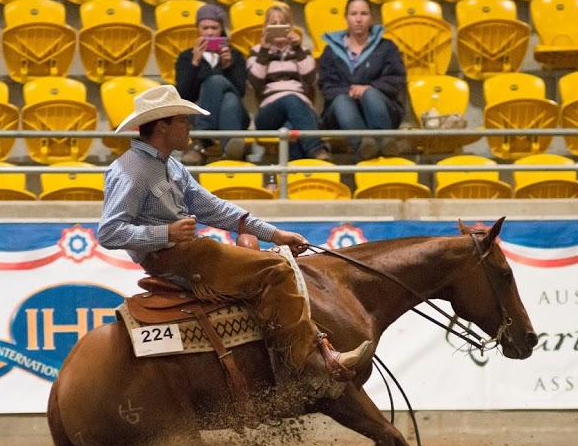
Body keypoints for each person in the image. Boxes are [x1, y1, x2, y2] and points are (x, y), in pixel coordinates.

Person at [98, 84, 374, 387]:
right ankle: (309, 360)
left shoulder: (171, 166)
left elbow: (215, 209)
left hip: (190, 252)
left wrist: (275, 234)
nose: (190, 127)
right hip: (174, 258)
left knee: (265, 258)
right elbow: (109, 231)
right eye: (183, 120)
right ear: (162, 126)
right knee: (274, 269)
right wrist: (165, 232)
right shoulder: (130, 169)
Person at [318, 0, 407, 161]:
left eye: (364, 14)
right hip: (342, 114)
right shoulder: (330, 51)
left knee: (370, 94)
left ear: (371, 17)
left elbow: (396, 79)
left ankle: (384, 141)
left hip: (382, 109)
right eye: (353, 14)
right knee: (341, 101)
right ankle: (364, 146)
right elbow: (326, 85)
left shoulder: (387, 47)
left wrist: (368, 89)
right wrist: (351, 91)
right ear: (346, 17)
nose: (358, 19)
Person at [247, 4, 331, 161]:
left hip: (302, 111)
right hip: (269, 114)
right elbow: (254, 84)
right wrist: (265, 51)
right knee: (290, 98)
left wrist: (298, 48)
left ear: (290, 27)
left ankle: (297, 174)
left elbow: (311, 80)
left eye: (283, 23)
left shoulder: (302, 50)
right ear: (265, 27)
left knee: (290, 128)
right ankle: (316, 149)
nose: (278, 27)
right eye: (273, 23)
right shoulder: (258, 51)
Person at [175, 3, 251, 166]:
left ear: (222, 29)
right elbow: (183, 95)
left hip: (238, 114)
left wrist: (228, 67)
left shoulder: (235, 55)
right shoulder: (186, 56)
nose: (209, 32)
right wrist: (194, 63)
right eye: (205, 28)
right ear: (198, 30)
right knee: (228, 99)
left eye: (214, 28)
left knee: (226, 91)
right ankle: (231, 150)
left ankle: (200, 142)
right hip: (196, 113)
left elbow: (241, 91)